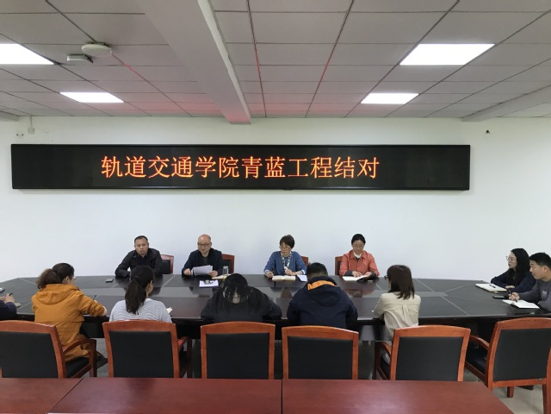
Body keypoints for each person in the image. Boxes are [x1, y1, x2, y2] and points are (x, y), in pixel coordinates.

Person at [32, 263, 107, 362]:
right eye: (73, 278)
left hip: (45, 352)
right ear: (67, 279)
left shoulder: (36, 298)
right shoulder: (75, 296)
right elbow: (102, 312)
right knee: (89, 344)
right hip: (67, 353)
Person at [287, 262, 357, 328]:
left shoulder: (301, 295)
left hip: (307, 336)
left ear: (308, 279)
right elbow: (353, 317)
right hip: (338, 336)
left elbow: (291, 317)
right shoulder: (342, 294)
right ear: (326, 276)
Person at [201, 273, 282, 322]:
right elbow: (277, 313)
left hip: (220, 345)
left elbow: (204, 316)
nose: (236, 295)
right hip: (254, 345)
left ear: (224, 290)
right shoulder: (258, 296)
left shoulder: (216, 299)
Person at [373, 265, 421, 340]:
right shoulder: (417, 299)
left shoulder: (385, 298)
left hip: (395, 342)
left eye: (387, 277)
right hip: (414, 342)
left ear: (392, 281)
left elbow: (376, 315)